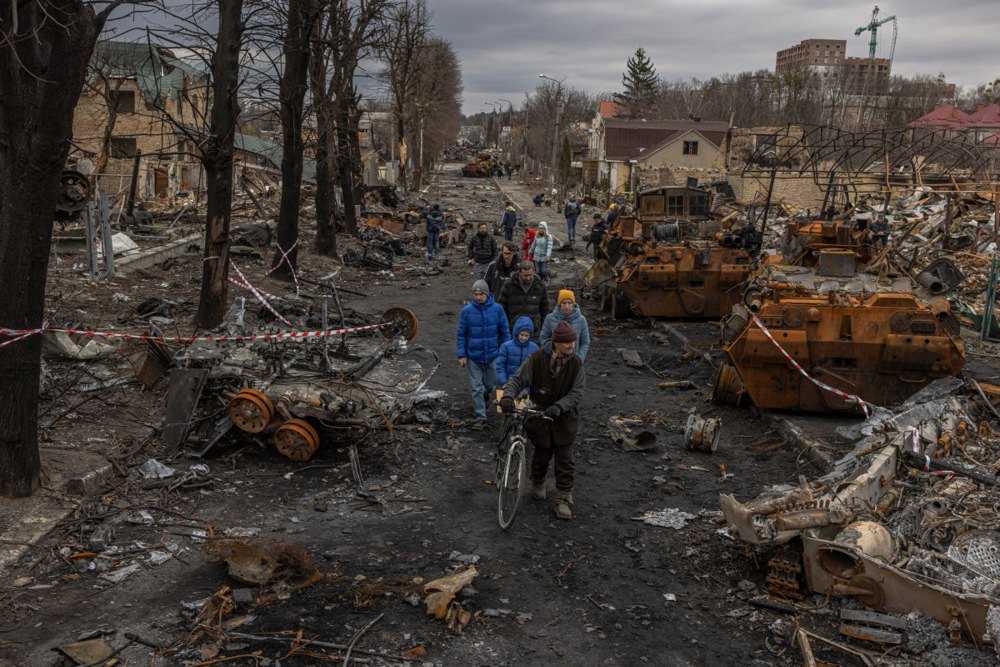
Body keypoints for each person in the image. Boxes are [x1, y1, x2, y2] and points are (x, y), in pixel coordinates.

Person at [500, 321, 585, 520]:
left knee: (565, 460)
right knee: (541, 454)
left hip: (564, 418)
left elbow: (577, 392)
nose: (571, 346)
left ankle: (563, 498)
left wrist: (560, 406)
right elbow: (517, 379)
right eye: (566, 342)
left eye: (573, 341)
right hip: (539, 416)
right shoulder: (536, 359)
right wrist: (507, 396)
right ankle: (538, 482)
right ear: (556, 342)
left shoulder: (576, 363)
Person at [456, 279, 511, 425]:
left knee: (490, 386)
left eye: (481, 294)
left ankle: (485, 397)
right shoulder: (467, 312)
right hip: (474, 356)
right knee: (476, 388)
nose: (478, 297)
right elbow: (461, 334)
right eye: (476, 294)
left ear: (487, 294)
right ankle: (480, 416)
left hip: (493, 355)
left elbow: (505, 331)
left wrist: (505, 352)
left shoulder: (497, 309)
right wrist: (462, 354)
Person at [539, 289, 591, 362]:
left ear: (573, 304)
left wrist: (579, 359)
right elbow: (543, 338)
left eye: (569, 303)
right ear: (559, 304)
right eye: (564, 303)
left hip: (574, 361)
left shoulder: (581, 320)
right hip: (554, 361)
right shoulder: (550, 318)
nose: (567, 306)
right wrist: (552, 352)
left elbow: (585, 342)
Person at [498, 261, 549, 331]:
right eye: (525, 275)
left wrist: (543, 328)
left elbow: (545, 309)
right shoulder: (509, 285)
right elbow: (502, 307)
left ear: (534, 272)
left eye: (530, 275)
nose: (528, 278)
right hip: (513, 328)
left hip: (534, 329)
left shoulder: (540, 286)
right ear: (519, 273)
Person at [496, 316, 540, 386]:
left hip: (526, 385)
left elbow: (537, 368)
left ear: (530, 335)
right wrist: (504, 382)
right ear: (517, 333)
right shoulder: (506, 346)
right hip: (509, 383)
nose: (523, 338)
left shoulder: (534, 348)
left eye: (526, 335)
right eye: (521, 335)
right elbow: (500, 366)